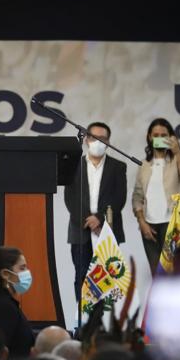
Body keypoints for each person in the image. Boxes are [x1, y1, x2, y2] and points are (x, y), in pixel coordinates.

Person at [64, 122, 128, 303]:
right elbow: (70, 198)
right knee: (82, 276)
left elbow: (119, 199)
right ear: (86, 140)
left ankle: (102, 325)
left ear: (109, 142)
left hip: (107, 231)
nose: (98, 142)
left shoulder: (118, 167)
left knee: (107, 279)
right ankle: (83, 324)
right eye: (94, 138)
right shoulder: (74, 166)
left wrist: (99, 219)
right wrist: (88, 220)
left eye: (103, 139)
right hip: (80, 230)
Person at [131, 118, 180, 276]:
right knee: (157, 274)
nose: (159, 138)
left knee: (175, 272)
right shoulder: (144, 165)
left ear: (171, 137)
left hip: (172, 225)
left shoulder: (176, 160)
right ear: (149, 137)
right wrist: (141, 221)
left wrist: (178, 152)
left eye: (164, 135)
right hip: (149, 226)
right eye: (156, 135)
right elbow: (137, 197)